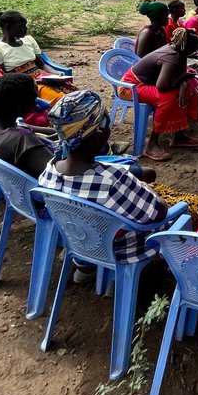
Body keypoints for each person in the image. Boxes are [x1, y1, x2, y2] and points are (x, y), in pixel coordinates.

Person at [38, 90, 167, 270]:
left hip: (82, 243)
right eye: (107, 122)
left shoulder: (48, 172)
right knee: (183, 214)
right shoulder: (113, 180)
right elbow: (159, 213)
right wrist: (148, 188)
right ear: (98, 135)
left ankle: (88, 269)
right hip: (122, 253)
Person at [119, 26, 198, 161]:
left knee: (191, 89)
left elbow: (182, 73)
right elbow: (162, 87)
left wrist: (183, 83)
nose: (196, 51)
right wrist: (182, 79)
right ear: (186, 46)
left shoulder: (179, 50)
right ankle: (151, 144)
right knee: (168, 97)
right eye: (194, 47)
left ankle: (179, 135)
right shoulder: (170, 56)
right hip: (130, 88)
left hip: (148, 84)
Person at [0, 11, 74, 104]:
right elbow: (1, 78)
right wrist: (35, 82)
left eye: (25, 25)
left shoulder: (29, 40)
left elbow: (41, 64)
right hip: (22, 87)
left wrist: (56, 74)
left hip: (42, 78)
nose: (25, 28)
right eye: (21, 26)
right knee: (62, 100)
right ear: (7, 26)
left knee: (74, 95)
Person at [0, 71, 55, 178]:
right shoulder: (23, 139)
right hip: (38, 189)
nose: (36, 102)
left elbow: (28, 128)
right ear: (20, 106)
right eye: (34, 97)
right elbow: (56, 174)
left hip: (12, 186)